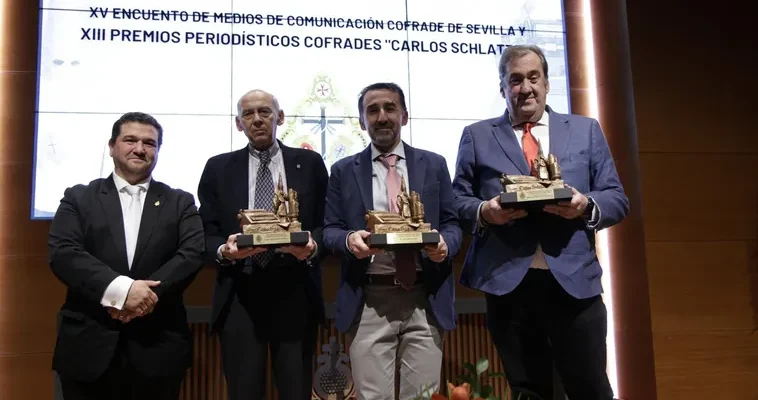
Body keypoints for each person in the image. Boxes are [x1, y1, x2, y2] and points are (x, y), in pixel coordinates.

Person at [452, 45, 629, 400]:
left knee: (591, 388)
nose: (525, 87)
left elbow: (615, 198)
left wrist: (584, 204)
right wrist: (486, 211)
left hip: (574, 282)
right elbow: (457, 202)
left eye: (534, 77)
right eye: (515, 80)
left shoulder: (585, 130)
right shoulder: (477, 135)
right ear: (502, 88)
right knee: (529, 392)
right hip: (509, 285)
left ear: (547, 84)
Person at [48, 112, 205, 400]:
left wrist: (141, 299)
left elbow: (192, 254)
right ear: (112, 146)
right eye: (130, 140)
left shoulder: (180, 201)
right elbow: (64, 254)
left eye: (149, 143)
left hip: (158, 348)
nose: (140, 148)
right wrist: (123, 291)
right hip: (88, 348)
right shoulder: (78, 198)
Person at [323, 82, 462, 399]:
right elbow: (329, 229)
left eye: (389, 108)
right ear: (362, 121)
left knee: (424, 396)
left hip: (425, 297)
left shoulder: (434, 163)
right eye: (372, 110)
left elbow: (453, 223)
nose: (382, 117)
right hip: (370, 296)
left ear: (404, 116)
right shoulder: (343, 170)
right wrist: (348, 240)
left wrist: (445, 246)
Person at [197, 89, 328, 400]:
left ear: (279, 117)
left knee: (296, 391)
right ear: (239, 123)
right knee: (244, 391)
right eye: (248, 114)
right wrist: (223, 251)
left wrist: (312, 246)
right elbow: (205, 232)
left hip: (295, 290)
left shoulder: (309, 163)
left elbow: (327, 224)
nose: (257, 119)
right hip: (241, 291)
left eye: (265, 112)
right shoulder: (218, 168)